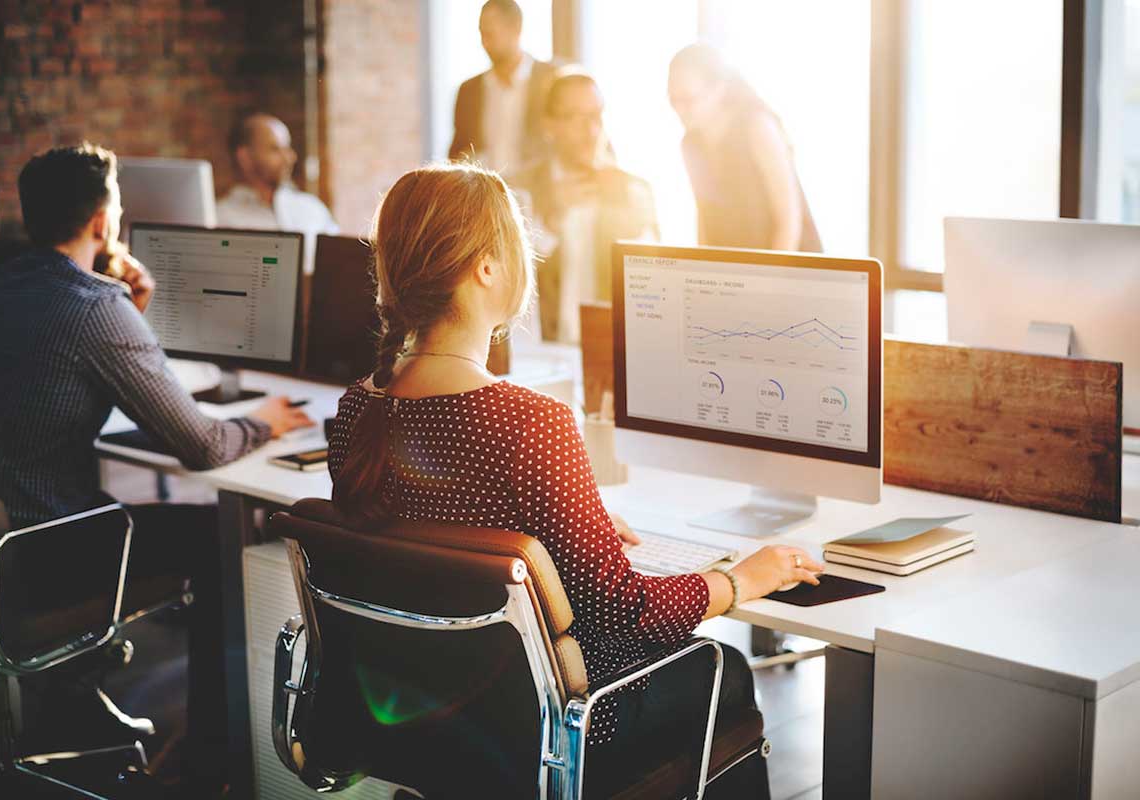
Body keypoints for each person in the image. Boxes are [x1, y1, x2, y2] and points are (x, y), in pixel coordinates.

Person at [326, 162, 823, 796]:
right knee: (721, 665)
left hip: (425, 716)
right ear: (486, 267)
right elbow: (622, 613)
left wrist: (565, 522)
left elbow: (431, 528)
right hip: (551, 728)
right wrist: (740, 580)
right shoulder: (530, 422)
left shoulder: (357, 410)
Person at [0, 143, 313, 796]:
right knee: (220, 539)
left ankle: (70, 699)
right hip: (49, 556)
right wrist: (269, 422)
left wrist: (126, 313)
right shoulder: (95, 307)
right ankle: (212, 760)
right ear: (103, 222)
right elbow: (203, 446)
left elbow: (46, 375)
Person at [510, 69, 658, 343]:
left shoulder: (633, 189)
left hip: (608, 350)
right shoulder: (517, 190)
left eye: (596, 116)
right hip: (541, 354)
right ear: (549, 125)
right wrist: (549, 221)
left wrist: (627, 213)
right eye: (575, 118)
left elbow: (655, 287)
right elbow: (505, 280)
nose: (591, 130)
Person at [668, 43, 822, 253]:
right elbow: (705, 221)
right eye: (673, 99)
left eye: (688, 99)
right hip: (738, 272)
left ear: (719, 89)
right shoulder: (690, 145)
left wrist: (768, 279)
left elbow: (788, 221)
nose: (679, 109)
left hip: (791, 265)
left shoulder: (757, 127)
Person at [216, 111, 340, 274]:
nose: (290, 157)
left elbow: (341, 264)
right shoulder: (220, 218)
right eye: (275, 149)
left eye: (287, 148)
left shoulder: (312, 208)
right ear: (245, 157)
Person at [448, 0, 557, 172]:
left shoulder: (551, 80)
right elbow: (457, 153)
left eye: (490, 34)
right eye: (482, 33)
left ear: (516, 28)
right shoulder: (468, 91)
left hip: (539, 195)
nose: (484, 42)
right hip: (485, 195)